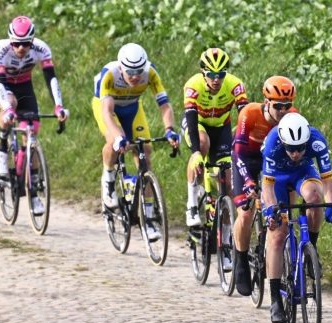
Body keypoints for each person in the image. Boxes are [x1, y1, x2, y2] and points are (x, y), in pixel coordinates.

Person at [91, 43, 179, 241]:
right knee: (116, 141)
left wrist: (170, 130)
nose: (135, 76)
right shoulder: (110, 74)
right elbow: (106, 112)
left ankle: (148, 217)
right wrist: (119, 137)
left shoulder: (151, 73)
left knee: (145, 150)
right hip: (107, 107)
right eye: (130, 72)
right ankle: (109, 178)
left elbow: (164, 104)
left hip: (132, 107)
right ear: (121, 67)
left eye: (139, 71)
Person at [261, 112, 332, 323]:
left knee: (315, 198)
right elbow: (267, 187)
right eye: (291, 149)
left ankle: (310, 251)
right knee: (278, 235)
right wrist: (271, 212)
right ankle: (275, 299)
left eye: (300, 148)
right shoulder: (272, 143)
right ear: (283, 142)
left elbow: (328, 182)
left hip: (302, 174)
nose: (296, 153)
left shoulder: (317, 141)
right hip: (276, 178)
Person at [0, 15, 68, 217]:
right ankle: (2, 146)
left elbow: (51, 78)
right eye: (16, 43)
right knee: (10, 107)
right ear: (10, 40)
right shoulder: (1, 49)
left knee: (32, 132)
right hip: (1, 85)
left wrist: (59, 107)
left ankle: (33, 194)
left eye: (25, 44)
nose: (21, 48)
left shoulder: (42, 49)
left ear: (32, 41)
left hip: (24, 86)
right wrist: (7, 108)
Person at [230, 75, 298, 296]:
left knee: (283, 209)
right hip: (246, 159)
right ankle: (240, 259)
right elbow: (237, 152)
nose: (283, 110)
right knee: (247, 213)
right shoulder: (249, 113)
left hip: (272, 163)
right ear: (267, 102)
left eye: (287, 105)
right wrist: (248, 181)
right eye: (278, 106)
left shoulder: (292, 117)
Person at [181, 47, 249, 227]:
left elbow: (245, 116)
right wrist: (196, 152)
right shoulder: (193, 85)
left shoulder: (235, 85)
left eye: (221, 74)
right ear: (203, 72)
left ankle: (224, 236)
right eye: (211, 74)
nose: (216, 79)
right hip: (198, 125)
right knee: (202, 144)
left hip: (221, 128)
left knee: (227, 180)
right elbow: (191, 117)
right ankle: (192, 205)